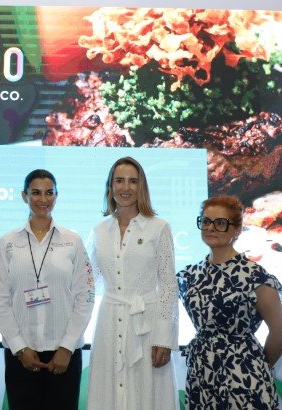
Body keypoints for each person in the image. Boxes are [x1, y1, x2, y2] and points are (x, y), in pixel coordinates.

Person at [0, 169, 95, 410]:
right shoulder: (8, 242)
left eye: (49, 193)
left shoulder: (72, 241)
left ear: (57, 196)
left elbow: (86, 297)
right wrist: (19, 347)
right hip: (22, 355)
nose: (43, 199)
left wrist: (67, 347)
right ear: (24, 196)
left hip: (64, 355)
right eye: (36, 193)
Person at [177, 195, 282, 410]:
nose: (211, 228)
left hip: (244, 376)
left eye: (220, 223)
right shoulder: (189, 275)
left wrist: (258, 366)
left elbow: (280, 331)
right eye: (206, 221)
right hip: (201, 374)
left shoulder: (254, 275)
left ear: (237, 229)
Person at [86, 157, 178, 410]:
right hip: (108, 324)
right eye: (119, 180)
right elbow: (89, 282)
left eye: (133, 181)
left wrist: (164, 338)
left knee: (147, 393)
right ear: (110, 186)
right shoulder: (99, 231)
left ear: (142, 187)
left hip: (147, 327)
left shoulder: (158, 228)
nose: (125, 187)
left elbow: (169, 286)